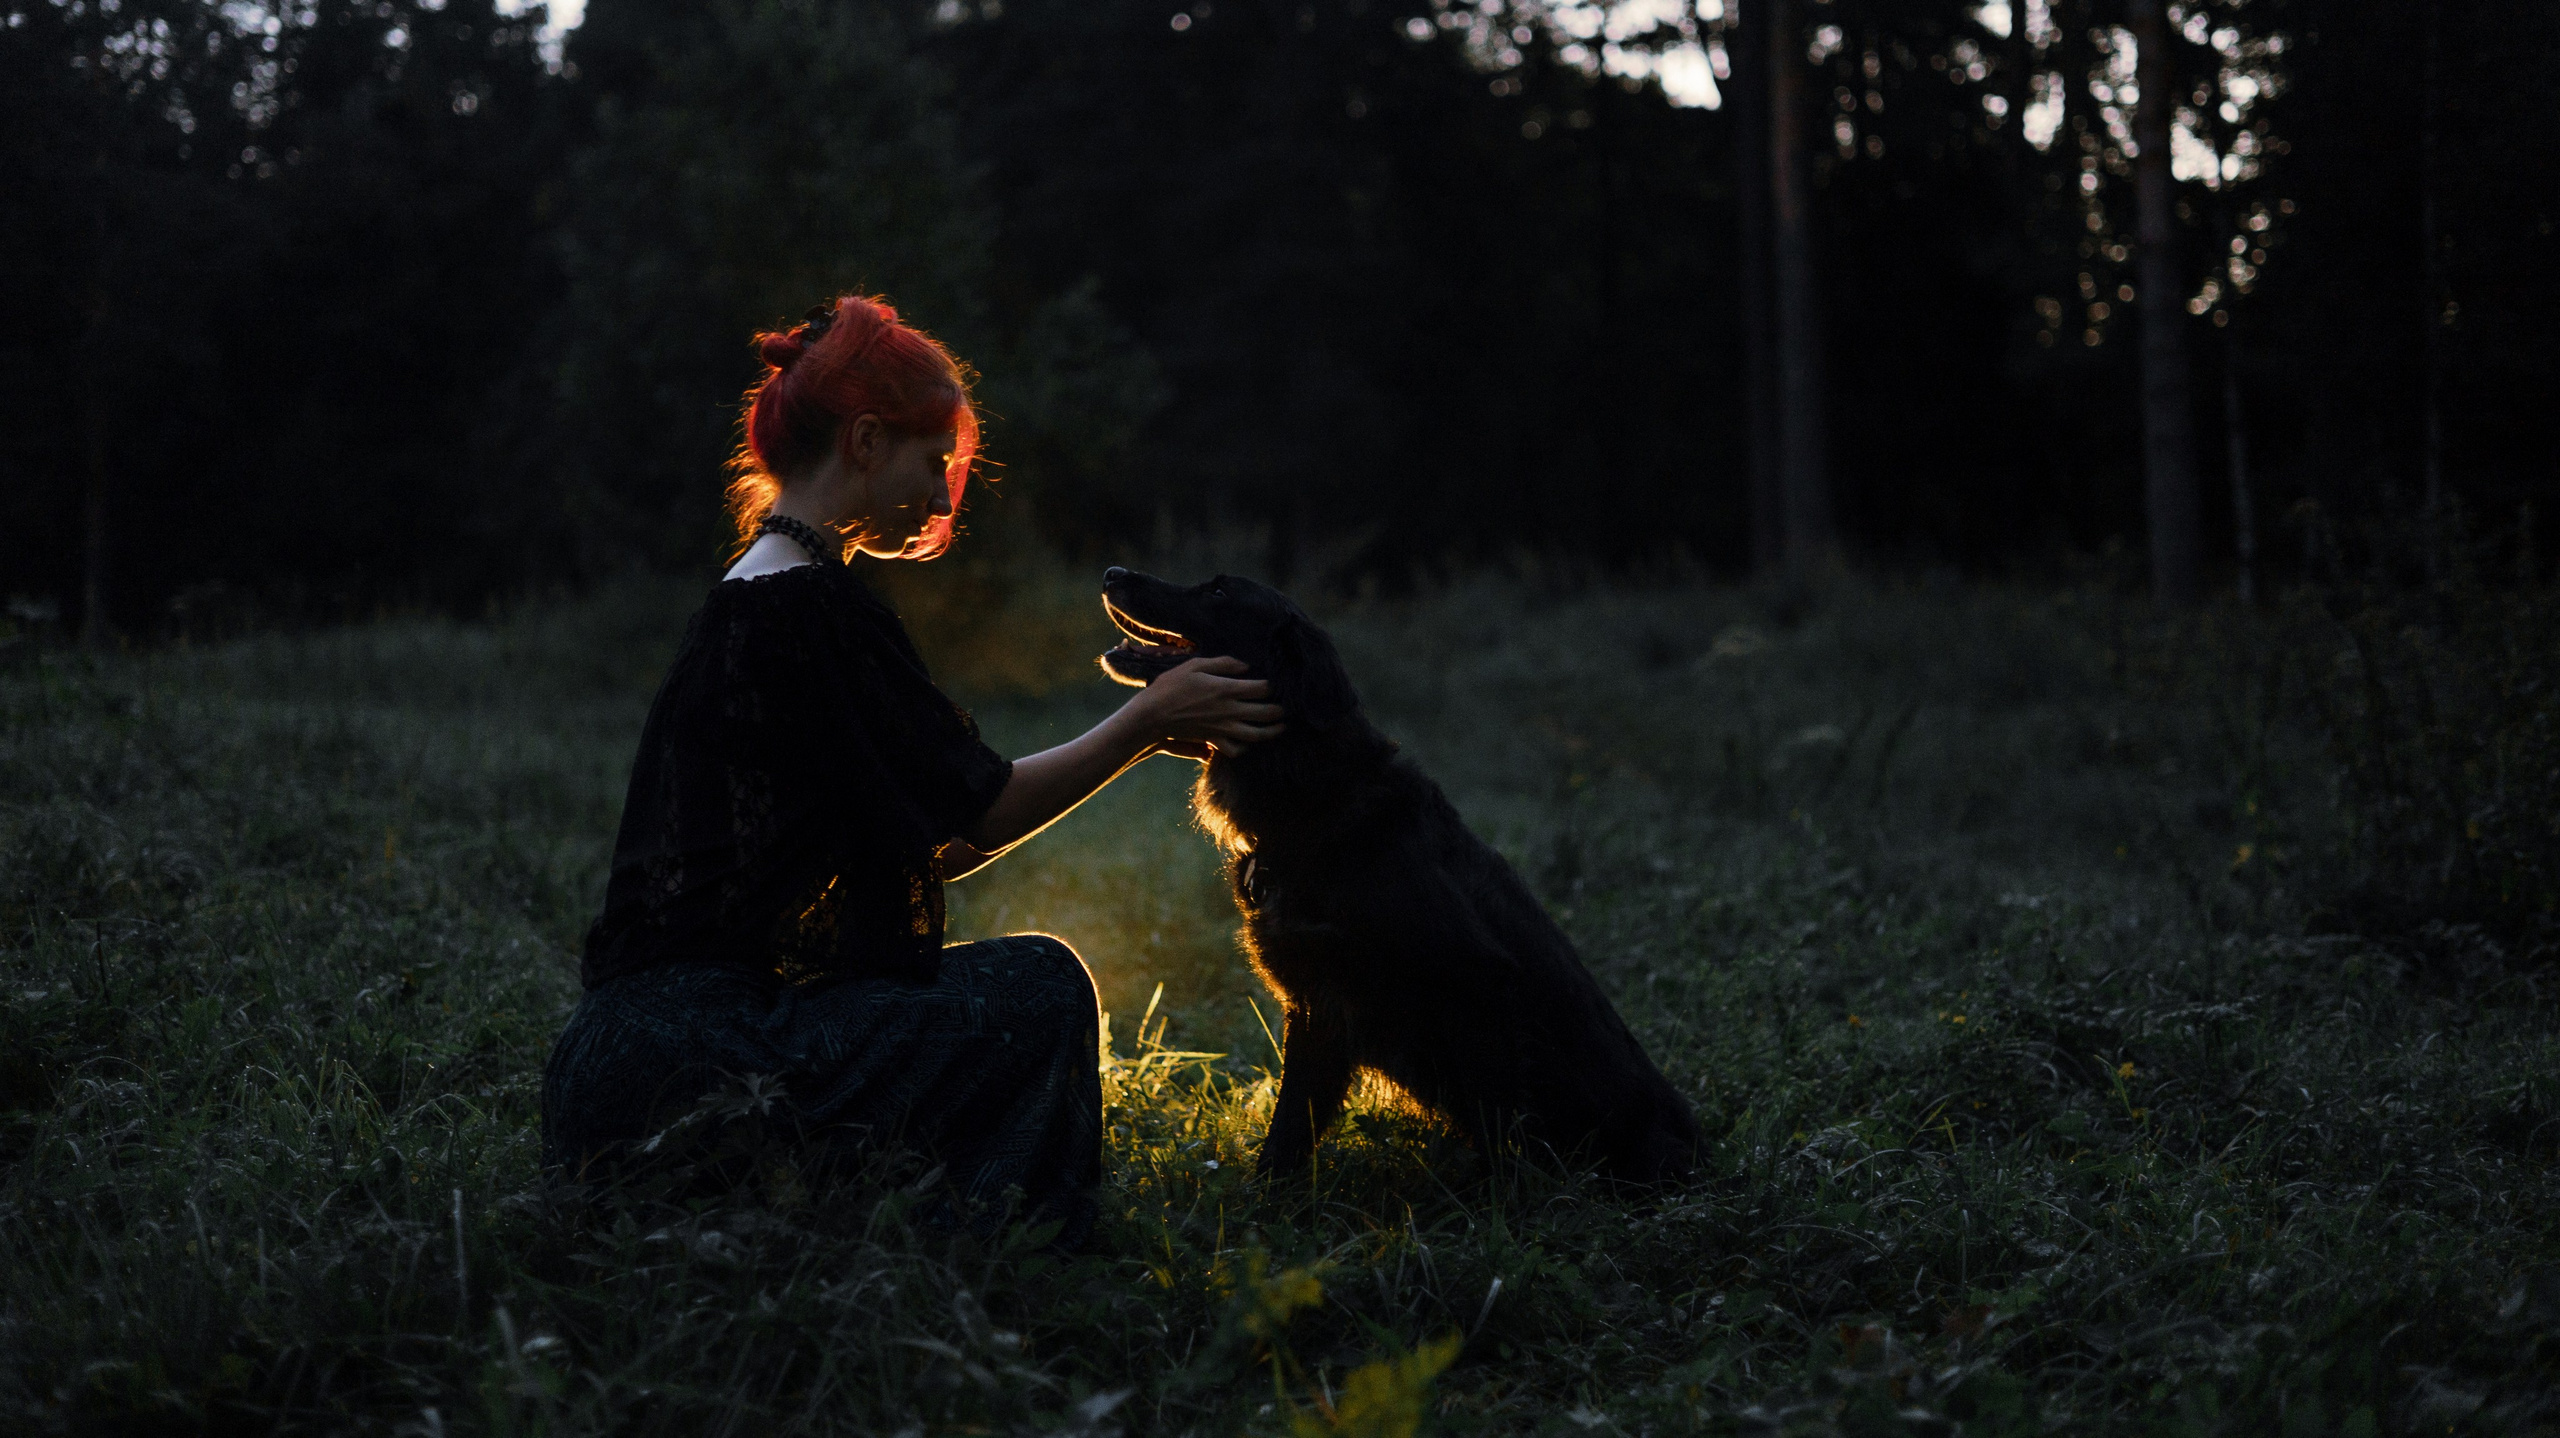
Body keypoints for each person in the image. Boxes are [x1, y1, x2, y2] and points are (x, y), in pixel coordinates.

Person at [539, 295, 1282, 1246]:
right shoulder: (815, 607)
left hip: (609, 1072)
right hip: (704, 1062)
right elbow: (988, 804)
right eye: (933, 466)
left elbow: (944, 838)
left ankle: (856, 1225)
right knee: (1044, 985)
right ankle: (1007, 1254)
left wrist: (1139, 727)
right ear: (862, 439)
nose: (941, 501)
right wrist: (1145, 719)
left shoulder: (749, 592)